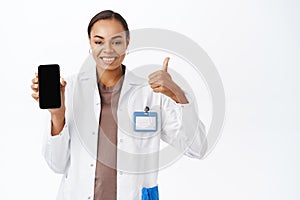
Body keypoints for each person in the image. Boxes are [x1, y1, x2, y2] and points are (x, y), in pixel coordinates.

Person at [31, 10, 207, 200]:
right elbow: (56, 164)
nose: (108, 49)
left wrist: (178, 95)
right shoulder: (69, 89)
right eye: (99, 41)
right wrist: (57, 115)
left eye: (116, 41)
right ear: (89, 43)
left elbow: (198, 148)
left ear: (127, 43)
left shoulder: (151, 94)